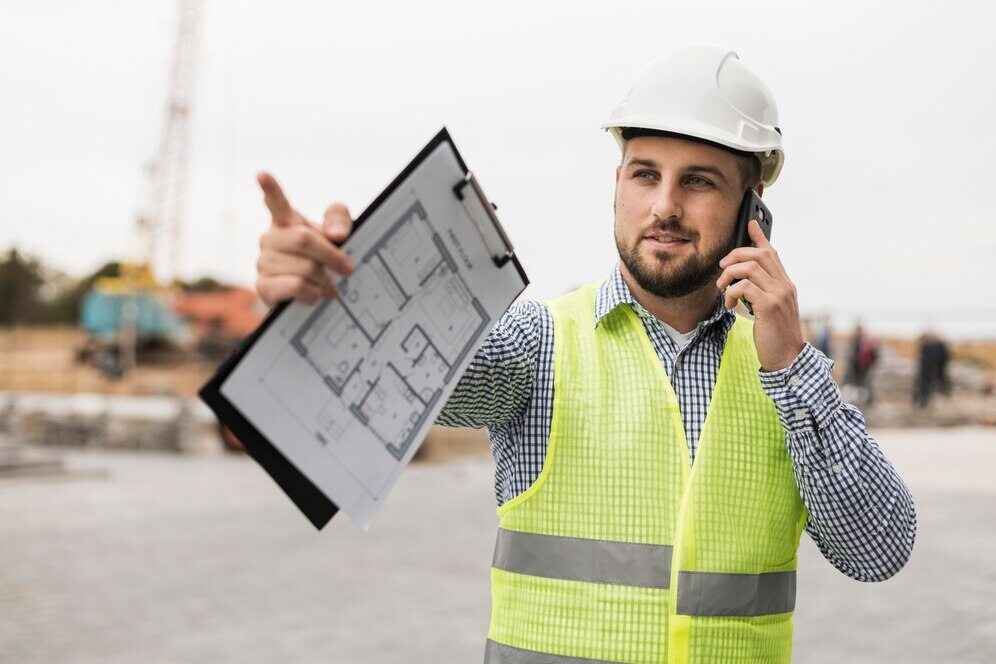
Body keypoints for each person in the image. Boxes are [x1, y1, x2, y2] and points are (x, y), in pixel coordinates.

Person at [252, 44, 916, 664]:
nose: (663, 206)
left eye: (700, 183)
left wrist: (794, 367)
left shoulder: (787, 375)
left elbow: (878, 551)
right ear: (617, 182)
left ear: (753, 206)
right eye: (645, 175)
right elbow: (389, 375)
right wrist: (319, 295)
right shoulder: (537, 347)